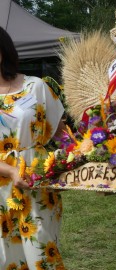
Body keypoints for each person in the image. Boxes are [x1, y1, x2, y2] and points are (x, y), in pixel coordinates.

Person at [0, 27, 66, 269]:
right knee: (5, 254)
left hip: (37, 179)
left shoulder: (36, 86)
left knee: (41, 250)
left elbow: (62, 133)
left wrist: (78, 161)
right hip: (2, 183)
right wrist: (11, 172)